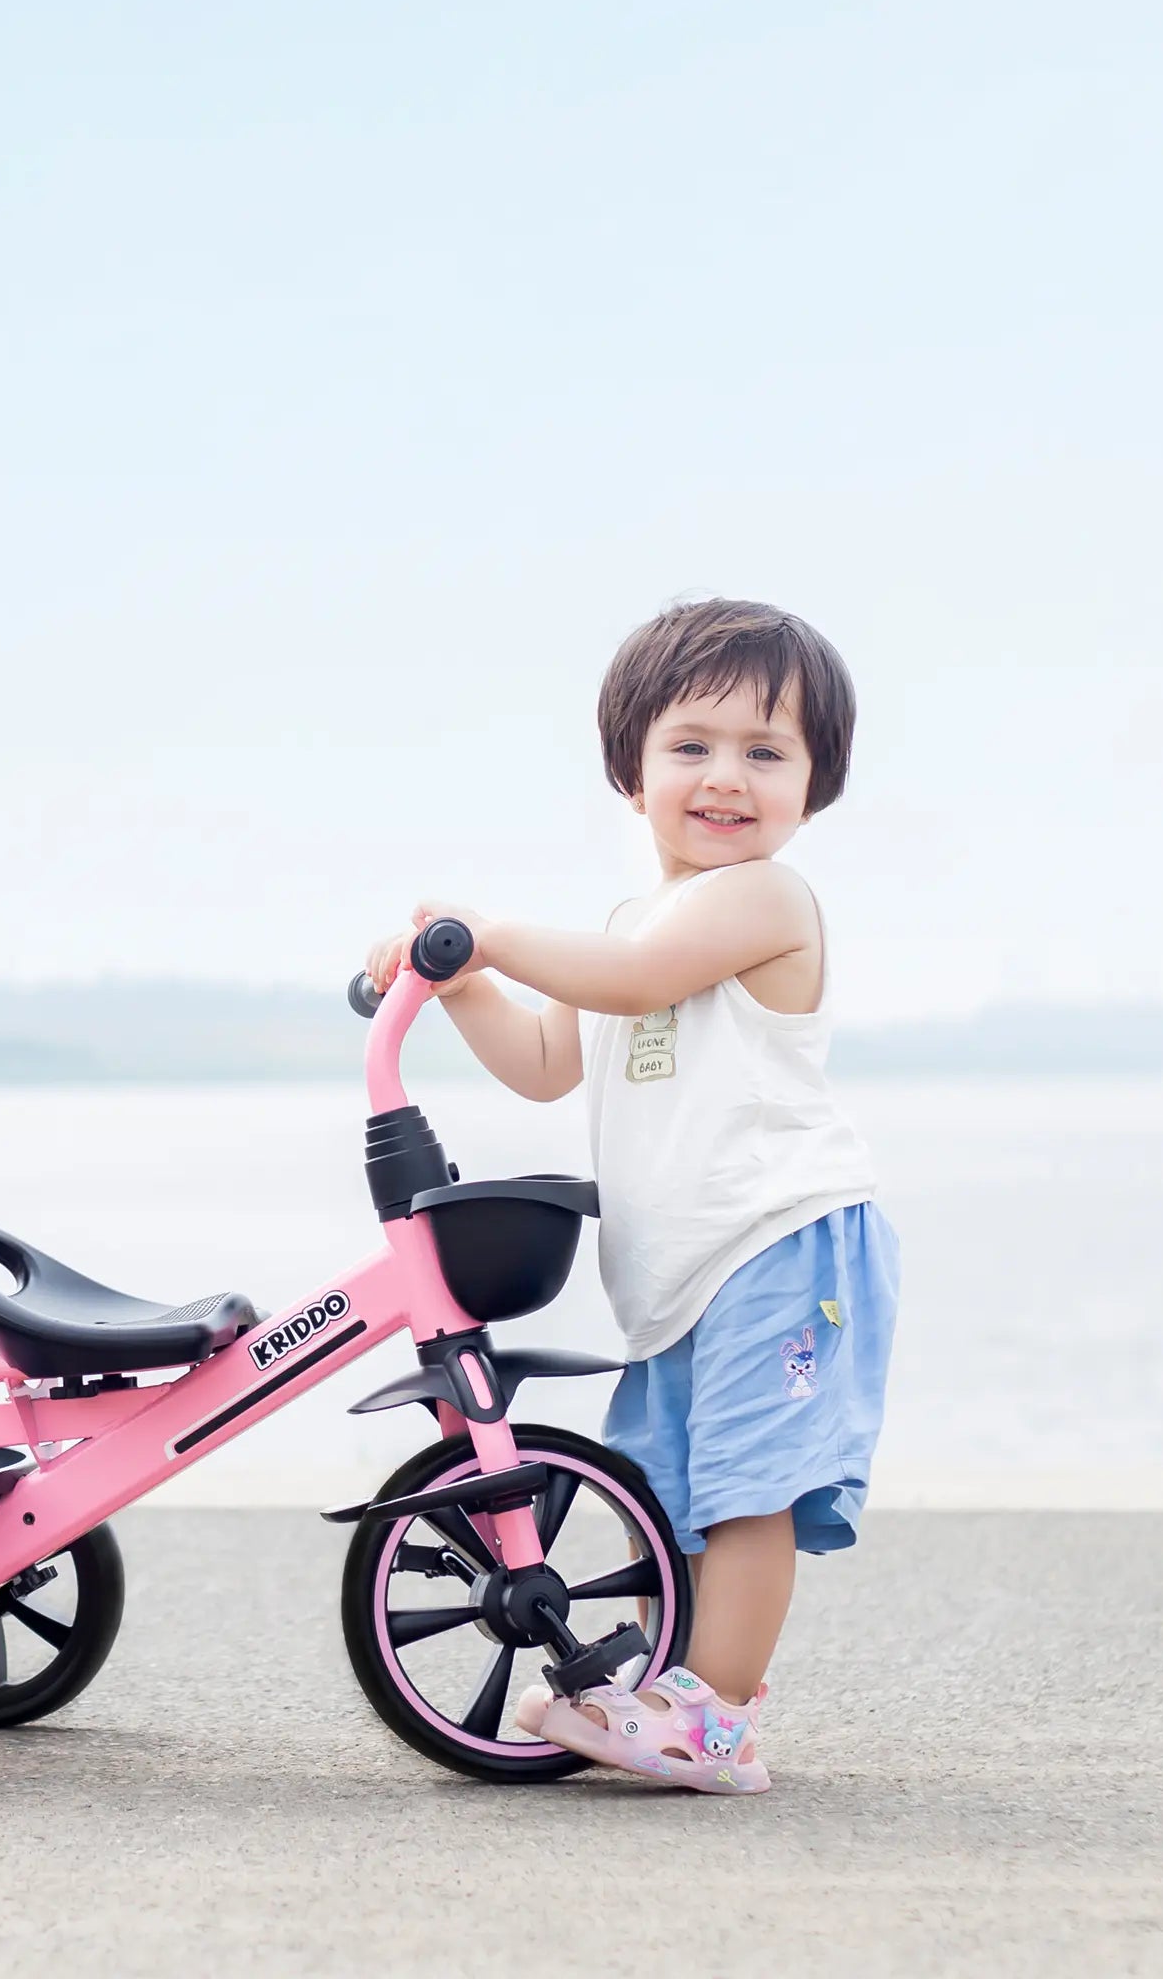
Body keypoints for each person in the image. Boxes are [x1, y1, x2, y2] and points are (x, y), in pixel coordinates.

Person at [364, 597, 900, 1794]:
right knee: (663, 1486)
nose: (725, 779)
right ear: (632, 765)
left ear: (813, 786)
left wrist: (490, 934)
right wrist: (459, 986)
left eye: (766, 753)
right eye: (691, 746)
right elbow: (548, 1063)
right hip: (680, 1271)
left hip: (778, 1237)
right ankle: (667, 1680)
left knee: (749, 1489)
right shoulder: (622, 922)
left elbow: (632, 977)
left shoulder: (764, 897)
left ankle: (713, 1717)